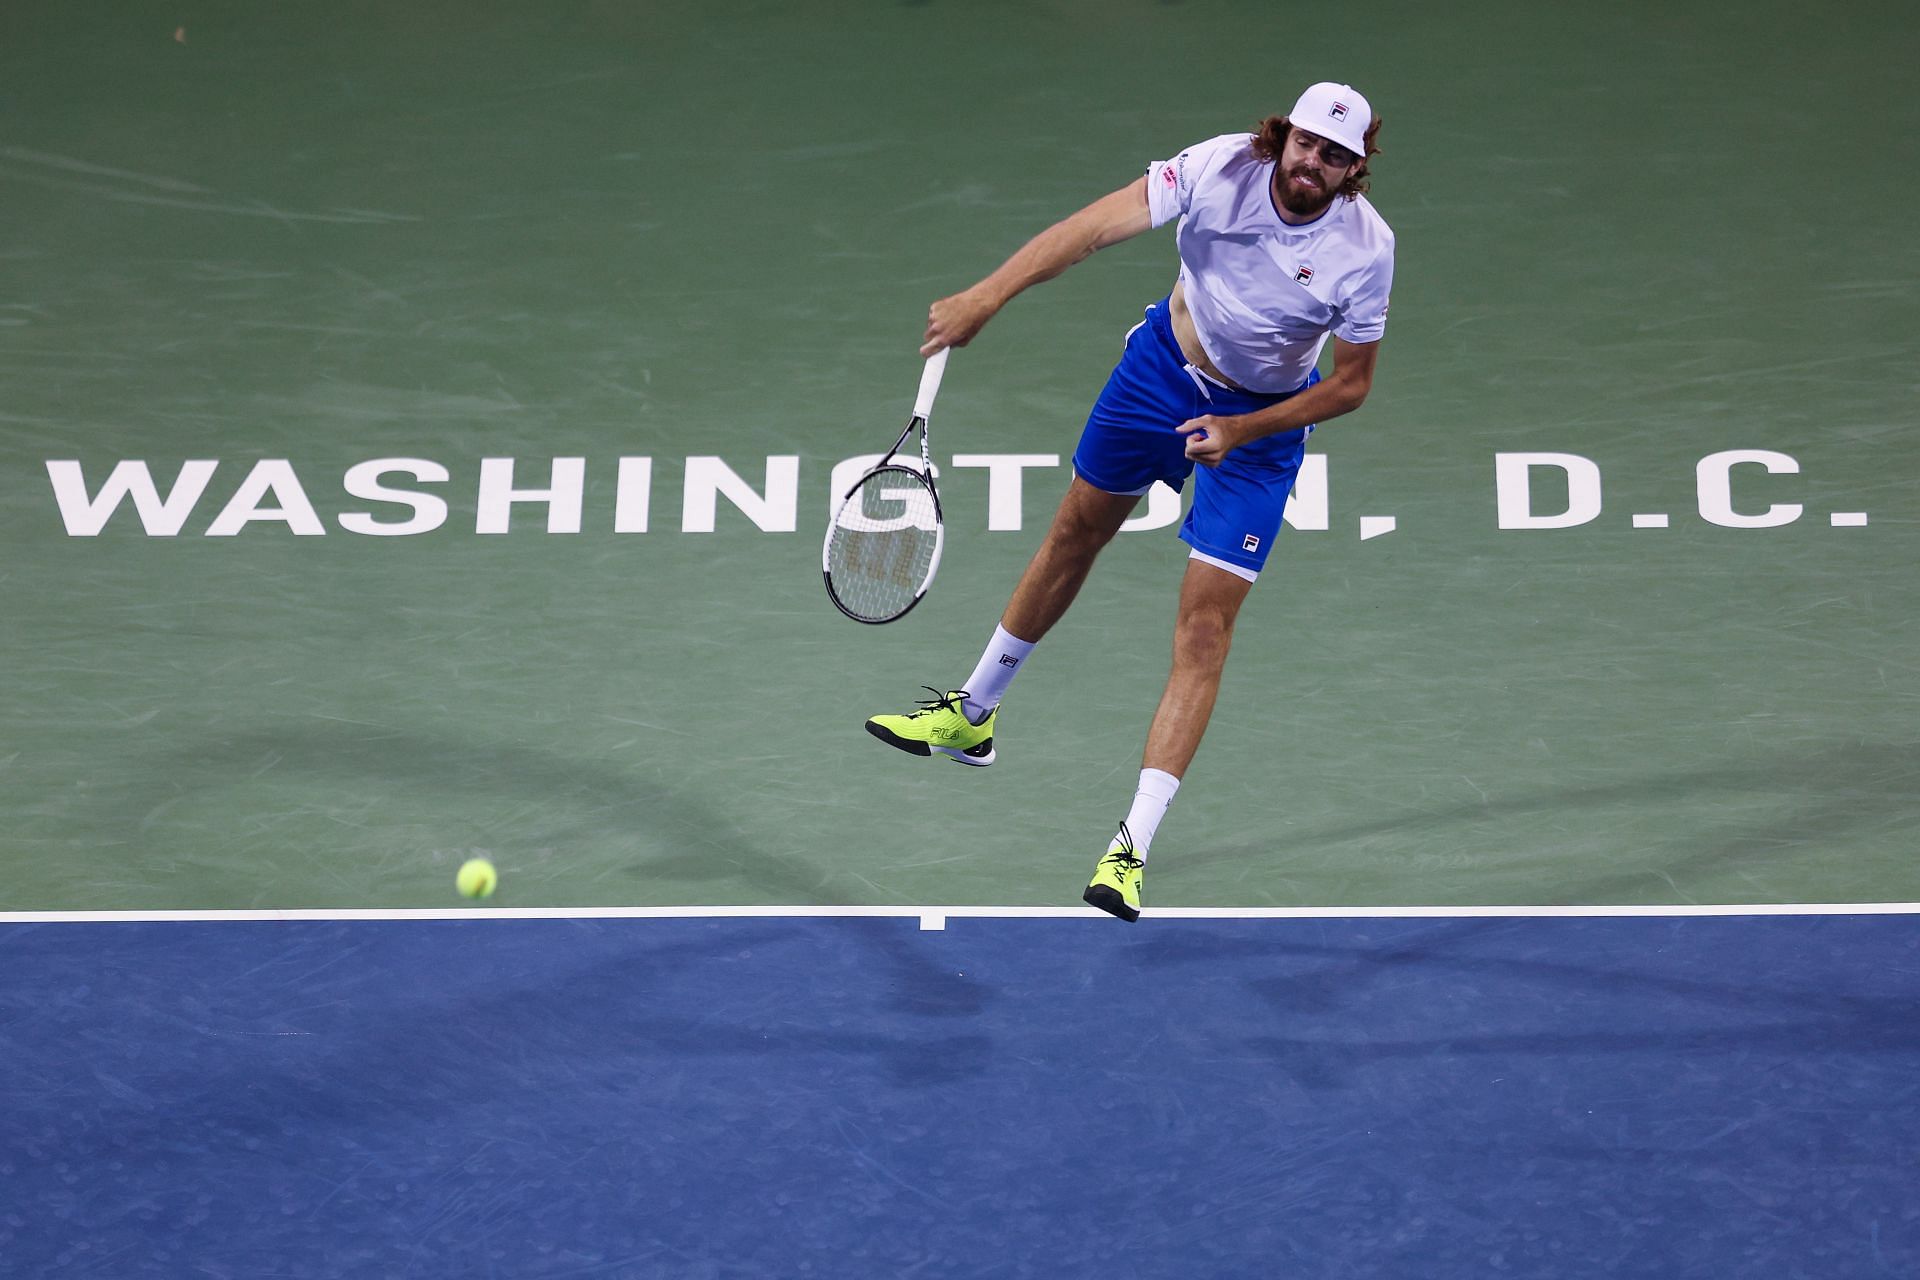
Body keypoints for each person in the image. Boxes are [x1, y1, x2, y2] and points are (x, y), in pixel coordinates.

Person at [864, 82, 1395, 921]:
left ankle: (1131, 848)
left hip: (1258, 431)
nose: (1312, 164)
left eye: (1335, 155)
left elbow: (1352, 386)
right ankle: (973, 716)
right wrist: (986, 296)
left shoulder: (1366, 249)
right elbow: (1090, 230)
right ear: (1283, 136)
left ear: (1356, 168)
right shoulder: (1218, 168)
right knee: (1074, 532)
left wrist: (1245, 428)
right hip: (1158, 374)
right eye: (1305, 143)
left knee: (1203, 626)